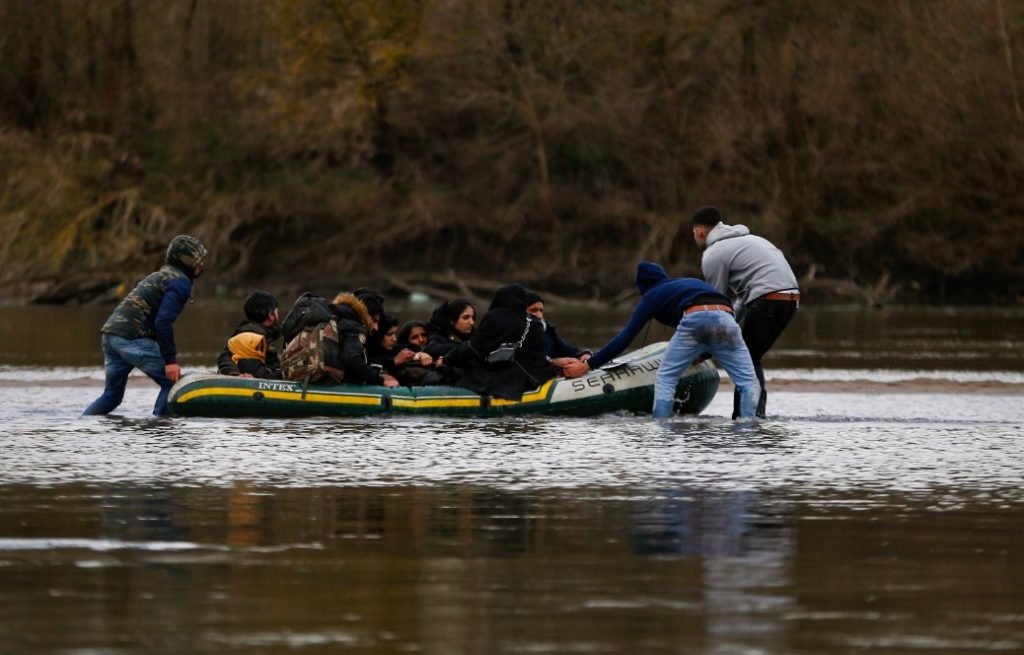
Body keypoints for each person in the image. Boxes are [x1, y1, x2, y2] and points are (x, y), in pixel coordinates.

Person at [562, 262, 760, 420]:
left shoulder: (652, 295)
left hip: (694, 316)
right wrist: (705, 353)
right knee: (748, 381)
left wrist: (588, 365)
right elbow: (716, 322)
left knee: (666, 378)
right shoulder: (687, 284)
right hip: (728, 317)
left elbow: (624, 339)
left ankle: (661, 427)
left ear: (643, 287)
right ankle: (748, 426)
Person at [691, 206, 799, 419]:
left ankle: (748, 417)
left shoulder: (713, 254)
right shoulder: (750, 241)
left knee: (746, 360)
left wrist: (703, 349)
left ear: (699, 232)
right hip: (790, 299)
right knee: (751, 356)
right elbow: (740, 301)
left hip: (768, 298)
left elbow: (715, 307)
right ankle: (754, 415)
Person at [83, 234, 207, 416]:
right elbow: (163, 322)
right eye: (198, 259)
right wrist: (170, 361)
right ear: (186, 260)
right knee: (173, 383)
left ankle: (84, 424)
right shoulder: (180, 282)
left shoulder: (160, 274)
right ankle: (159, 431)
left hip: (110, 335)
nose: (201, 264)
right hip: (131, 338)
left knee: (112, 396)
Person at [445, 284, 558, 401]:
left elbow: (474, 348)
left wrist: (447, 358)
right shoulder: (534, 324)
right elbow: (538, 359)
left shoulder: (493, 317)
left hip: (498, 381)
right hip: (528, 380)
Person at [330, 292, 399, 387]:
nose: (376, 328)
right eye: (374, 321)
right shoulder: (355, 327)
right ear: (366, 315)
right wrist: (380, 380)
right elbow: (351, 359)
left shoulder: (340, 318)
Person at [217, 290, 282, 379]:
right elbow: (263, 370)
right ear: (271, 315)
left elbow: (224, 357)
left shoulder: (241, 332)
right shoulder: (257, 337)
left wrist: (233, 373)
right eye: (277, 311)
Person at [524, 291, 590, 366]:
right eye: (534, 310)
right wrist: (554, 362)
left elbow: (567, 350)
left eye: (541, 310)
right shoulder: (517, 336)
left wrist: (584, 355)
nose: (539, 315)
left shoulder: (548, 331)